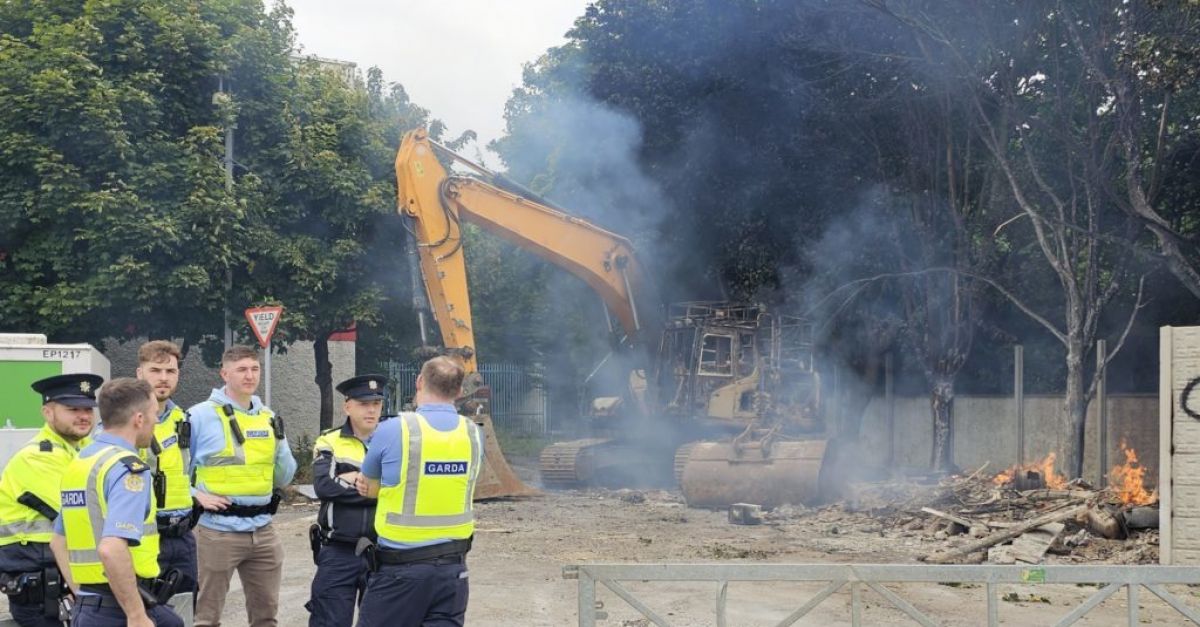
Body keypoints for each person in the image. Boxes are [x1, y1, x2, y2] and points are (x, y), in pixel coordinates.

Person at [355, 357, 483, 627]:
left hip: (400, 572)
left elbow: (369, 486)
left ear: (420, 382)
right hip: (453, 571)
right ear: (460, 391)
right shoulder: (473, 433)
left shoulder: (393, 430)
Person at [51, 378, 184, 627]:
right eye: (154, 414)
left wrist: (83, 596)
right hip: (120, 608)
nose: (156, 421)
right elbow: (112, 548)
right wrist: (136, 615)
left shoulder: (82, 462)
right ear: (139, 419)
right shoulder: (128, 469)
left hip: (90, 607)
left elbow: (59, 540)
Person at [187, 345, 296, 627]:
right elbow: (177, 470)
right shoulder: (198, 416)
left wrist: (280, 443)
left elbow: (284, 477)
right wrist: (195, 494)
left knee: (266, 617)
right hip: (217, 532)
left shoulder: (269, 417)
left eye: (255, 369)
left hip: (263, 530)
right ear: (224, 373)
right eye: (242, 369)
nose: (250, 376)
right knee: (205, 618)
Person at [0, 373, 101, 627]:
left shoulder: (82, 450)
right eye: (72, 409)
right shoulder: (37, 457)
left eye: (88, 409)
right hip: (42, 585)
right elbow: (82, 514)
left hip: (64, 576)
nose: (84, 415)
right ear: (47, 412)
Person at [305, 374, 388, 627]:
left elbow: (406, 487)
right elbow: (325, 487)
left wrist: (355, 480)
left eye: (376, 403)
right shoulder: (329, 441)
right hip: (339, 551)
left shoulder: (394, 440)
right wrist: (378, 489)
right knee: (329, 621)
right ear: (348, 406)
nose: (372, 409)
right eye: (364, 403)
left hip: (383, 551)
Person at [135, 341, 202, 599]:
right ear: (140, 373)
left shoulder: (183, 420)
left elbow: (191, 472)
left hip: (182, 539)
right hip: (143, 539)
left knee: (184, 613)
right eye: (155, 370)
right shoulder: (123, 421)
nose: (163, 378)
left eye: (170, 371)